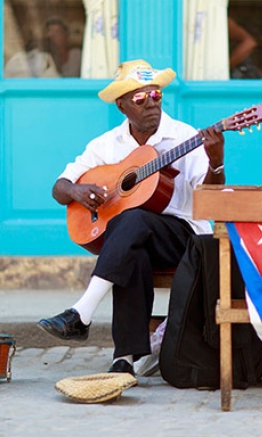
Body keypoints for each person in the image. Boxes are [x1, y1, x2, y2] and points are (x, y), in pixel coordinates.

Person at [37, 59, 225, 376]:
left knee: (130, 221)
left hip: (183, 240)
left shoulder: (184, 137)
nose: (151, 103)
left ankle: (81, 312)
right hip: (134, 239)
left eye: (156, 95)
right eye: (140, 98)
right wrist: (79, 192)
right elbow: (59, 188)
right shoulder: (106, 145)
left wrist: (216, 163)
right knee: (131, 249)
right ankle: (125, 359)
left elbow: (212, 199)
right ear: (122, 105)